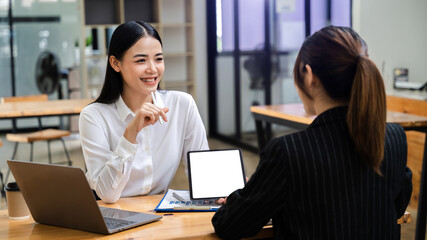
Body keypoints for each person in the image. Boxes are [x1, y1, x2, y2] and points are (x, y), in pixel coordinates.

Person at [212, 26, 412, 239]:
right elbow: (396, 208)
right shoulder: (394, 137)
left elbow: (230, 225)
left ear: (309, 76)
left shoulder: (287, 152)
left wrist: (241, 193)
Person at [79, 21, 209, 203]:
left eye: (158, 59)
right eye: (141, 60)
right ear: (116, 63)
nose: (152, 69)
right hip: (114, 215)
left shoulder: (182, 104)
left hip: (161, 214)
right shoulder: (93, 116)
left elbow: (203, 174)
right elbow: (107, 194)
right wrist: (130, 133)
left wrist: (225, 185)